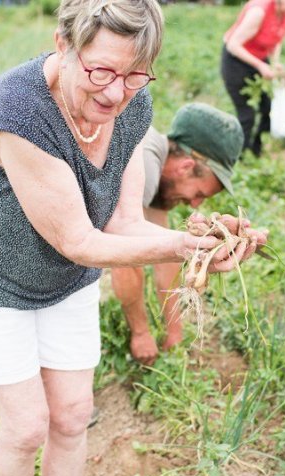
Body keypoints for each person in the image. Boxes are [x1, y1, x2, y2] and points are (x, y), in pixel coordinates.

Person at [0, 0, 266, 476]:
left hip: (64, 281)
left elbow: (123, 223)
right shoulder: (18, 110)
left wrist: (201, 241)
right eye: (100, 71)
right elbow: (78, 239)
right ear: (64, 46)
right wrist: (180, 245)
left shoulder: (130, 106)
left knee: (71, 414)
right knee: (25, 427)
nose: (115, 91)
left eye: (133, 74)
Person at [111, 103, 244, 365]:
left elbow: (166, 257)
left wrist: (175, 331)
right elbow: (122, 259)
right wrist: (140, 333)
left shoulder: (160, 172)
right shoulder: (145, 166)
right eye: (199, 194)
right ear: (186, 167)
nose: (195, 205)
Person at [221, 0, 285, 157]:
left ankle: (256, 150)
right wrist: (260, 66)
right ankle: (240, 157)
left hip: (259, 59)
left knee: (267, 108)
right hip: (236, 60)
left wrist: (275, 63)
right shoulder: (259, 11)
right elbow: (233, 45)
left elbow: (277, 40)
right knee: (247, 114)